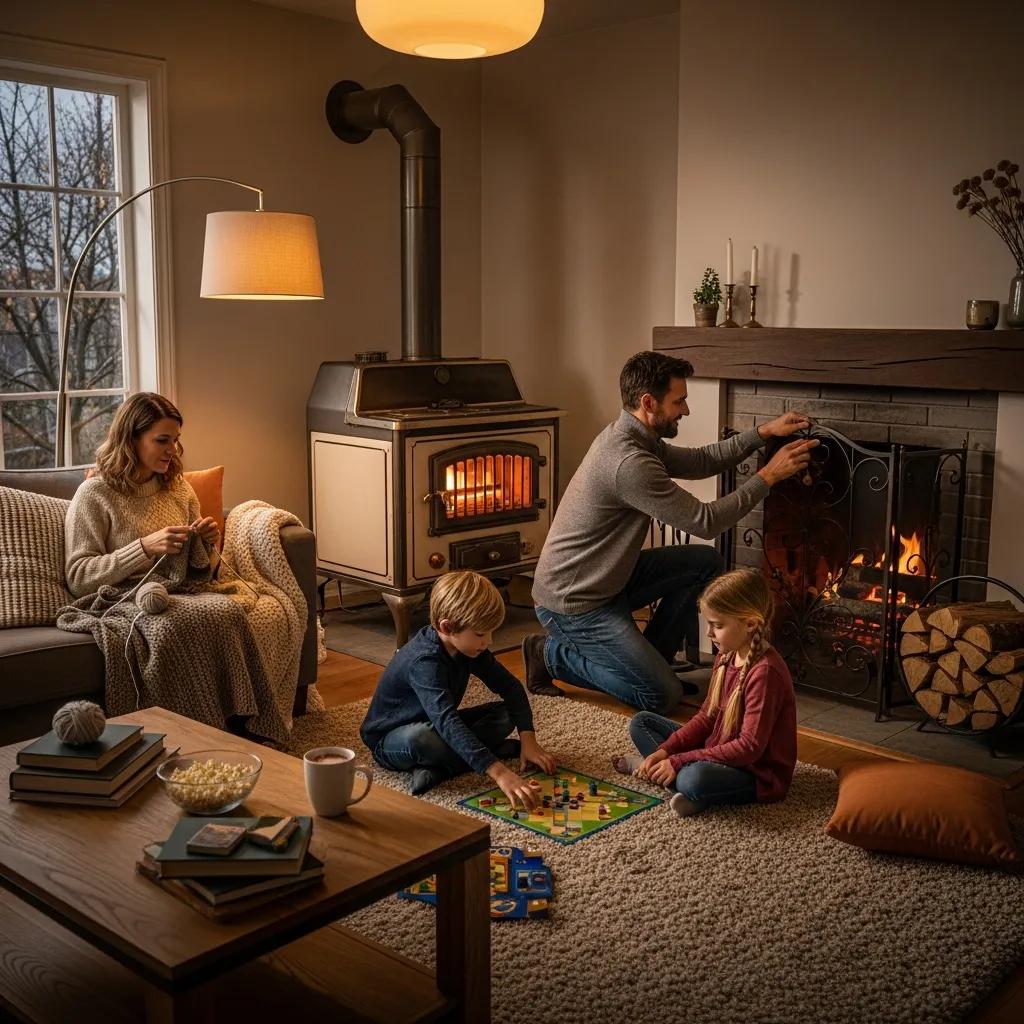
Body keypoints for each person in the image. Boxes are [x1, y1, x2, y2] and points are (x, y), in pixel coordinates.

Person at [522, 350, 817, 713]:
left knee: (704, 563)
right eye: (680, 401)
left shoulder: (636, 436)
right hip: (574, 603)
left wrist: (762, 433)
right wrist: (769, 475)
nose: (686, 410)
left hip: (609, 579)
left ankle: (652, 662)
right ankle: (549, 655)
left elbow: (700, 461)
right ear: (648, 402)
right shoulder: (628, 461)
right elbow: (705, 521)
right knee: (659, 696)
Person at [60, 392, 300, 746]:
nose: (173, 449)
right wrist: (144, 547)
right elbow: (79, 577)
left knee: (225, 610)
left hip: (182, 591)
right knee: (174, 626)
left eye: (175, 440)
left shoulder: (178, 488)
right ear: (132, 439)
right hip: (125, 597)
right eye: (162, 440)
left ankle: (242, 726)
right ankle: (183, 739)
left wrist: (206, 543)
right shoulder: (94, 494)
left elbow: (203, 570)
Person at [612, 568, 797, 818]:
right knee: (642, 723)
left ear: (750, 623)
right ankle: (673, 779)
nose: (709, 634)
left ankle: (683, 785)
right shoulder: (727, 653)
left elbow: (748, 748)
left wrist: (680, 761)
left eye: (717, 626)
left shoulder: (765, 672)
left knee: (693, 778)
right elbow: (707, 717)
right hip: (718, 752)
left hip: (756, 773)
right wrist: (666, 751)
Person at [361, 570, 558, 801]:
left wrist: (529, 740)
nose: (489, 642)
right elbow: (446, 721)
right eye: (481, 634)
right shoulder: (423, 662)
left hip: (439, 726)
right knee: (421, 738)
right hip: (392, 741)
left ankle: (442, 767)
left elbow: (511, 687)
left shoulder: (471, 648)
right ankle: (465, 762)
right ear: (446, 627)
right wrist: (499, 772)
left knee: (506, 714)